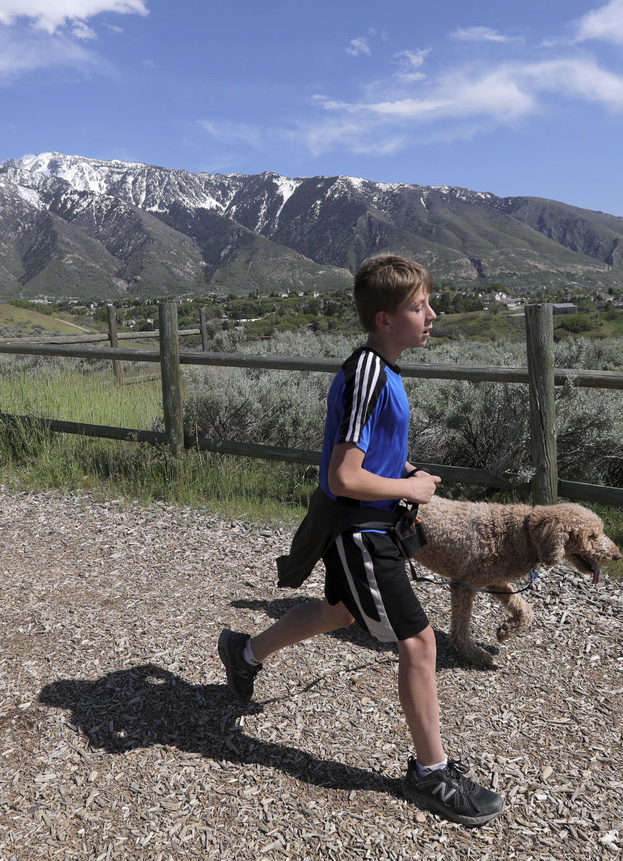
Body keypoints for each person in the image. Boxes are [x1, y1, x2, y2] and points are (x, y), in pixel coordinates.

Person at [218, 254, 504, 827]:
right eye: (418, 306)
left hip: (371, 525)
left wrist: (403, 472)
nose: (431, 314)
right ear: (384, 319)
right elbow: (342, 477)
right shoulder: (371, 373)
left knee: (340, 612)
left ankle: (244, 652)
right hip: (360, 532)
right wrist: (411, 487)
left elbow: (362, 457)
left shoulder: (382, 368)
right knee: (420, 644)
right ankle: (431, 774)